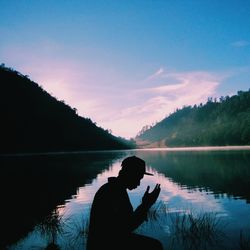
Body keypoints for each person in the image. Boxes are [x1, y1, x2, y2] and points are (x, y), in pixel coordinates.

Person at [87, 156, 163, 250]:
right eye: (138, 178)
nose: (139, 183)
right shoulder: (114, 192)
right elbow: (127, 227)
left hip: (107, 241)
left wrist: (145, 204)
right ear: (130, 174)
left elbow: (125, 224)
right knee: (155, 246)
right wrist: (146, 204)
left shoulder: (114, 188)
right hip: (105, 244)